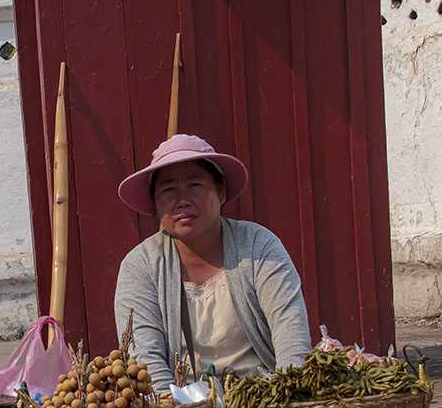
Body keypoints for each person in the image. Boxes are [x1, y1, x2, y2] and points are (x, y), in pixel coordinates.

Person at [114, 133, 312, 390]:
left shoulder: (258, 246)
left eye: (195, 185)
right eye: (168, 189)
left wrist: (286, 396)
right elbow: (144, 359)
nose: (183, 199)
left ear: (220, 192)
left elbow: (291, 332)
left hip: (264, 400)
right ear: (155, 203)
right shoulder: (141, 266)